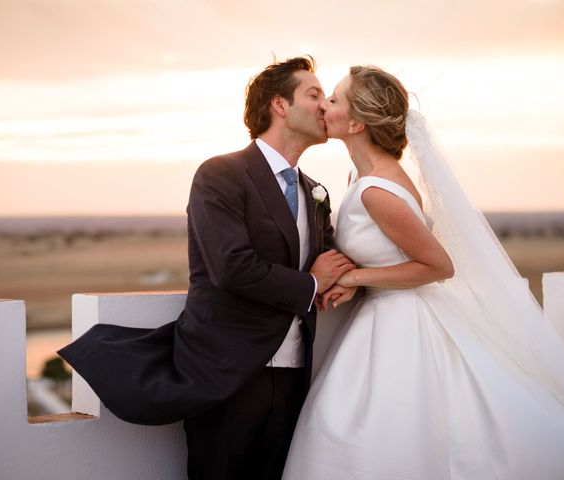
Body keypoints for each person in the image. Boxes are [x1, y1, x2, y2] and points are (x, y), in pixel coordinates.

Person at [281, 65, 564, 479]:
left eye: (334, 99)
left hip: (400, 324)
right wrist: (358, 271)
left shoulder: (376, 190)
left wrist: (353, 279)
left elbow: (438, 266)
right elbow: (386, 251)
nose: (324, 106)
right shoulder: (364, 177)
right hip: (385, 316)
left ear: (355, 122)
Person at [58, 56, 355, 480]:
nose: (325, 105)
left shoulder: (313, 191)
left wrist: (345, 277)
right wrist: (311, 283)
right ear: (280, 106)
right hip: (227, 374)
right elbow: (231, 267)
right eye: (313, 94)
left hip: (294, 376)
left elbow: (330, 264)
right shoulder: (221, 174)